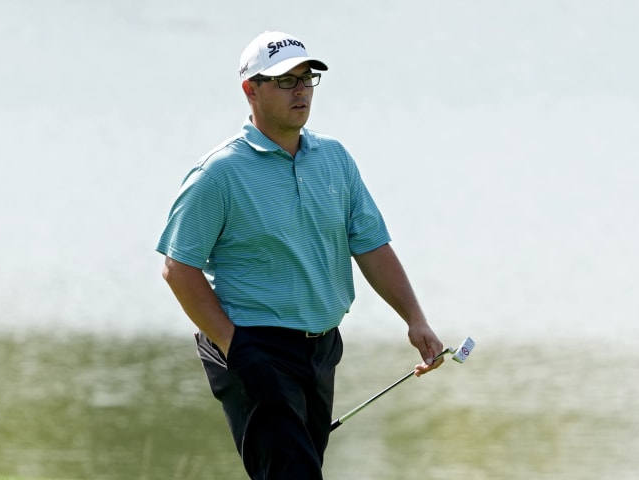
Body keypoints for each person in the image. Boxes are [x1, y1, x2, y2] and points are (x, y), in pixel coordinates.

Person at [156, 30, 446, 480]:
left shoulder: (334, 159)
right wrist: (235, 345)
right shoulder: (219, 173)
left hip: (321, 349)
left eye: (306, 79)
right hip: (254, 346)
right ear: (250, 89)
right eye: (285, 81)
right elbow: (178, 268)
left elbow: (370, 244)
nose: (300, 91)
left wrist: (415, 319)